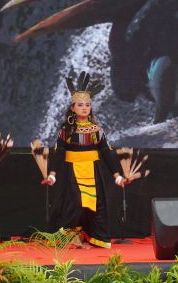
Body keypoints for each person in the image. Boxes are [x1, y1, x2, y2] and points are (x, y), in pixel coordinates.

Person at [45, 72, 127, 248]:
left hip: (93, 171)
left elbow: (106, 152)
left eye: (88, 105)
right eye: (80, 105)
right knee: (75, 204)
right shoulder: (66, 131)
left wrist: (117, 175)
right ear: (72, 108)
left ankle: (91, 237)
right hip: (72, 171)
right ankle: (70, 237)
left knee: (95, 205)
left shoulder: (97, 130)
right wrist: (52, 174)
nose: (84, 108)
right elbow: (59, 152)